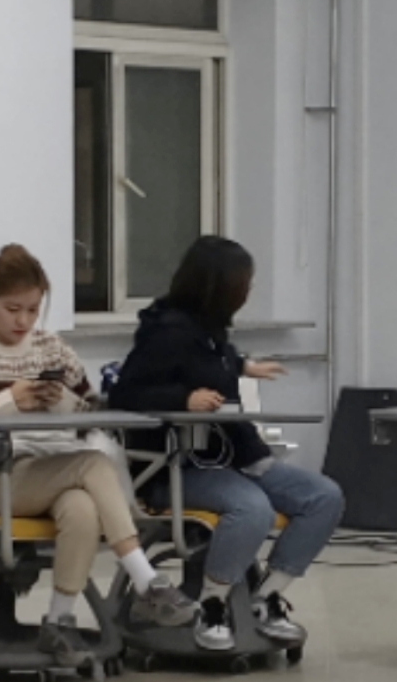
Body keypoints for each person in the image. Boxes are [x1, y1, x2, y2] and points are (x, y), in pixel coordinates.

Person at [0, 244, 195, 656]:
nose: (23, 321)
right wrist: (7, 400)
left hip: (54, 464)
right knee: (93, 464)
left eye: (33, 310)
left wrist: (63, 401)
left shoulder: (52, 350)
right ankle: (146, 581)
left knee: (81, 508)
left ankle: (59, 620)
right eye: (13, 309)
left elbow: (93, 415)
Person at [114, 234, 346, 653]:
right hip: (177, 468)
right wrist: (183, 400)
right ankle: (212, 605)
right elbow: (125, 394)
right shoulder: (165, 331)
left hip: (232, 458)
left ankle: (267, 597)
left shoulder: (210, 331)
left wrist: (242, 366)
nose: (248, 290)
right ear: (217, 285)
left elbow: (206, 363)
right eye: (244, 282)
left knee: (323, 496)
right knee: (251, 508)